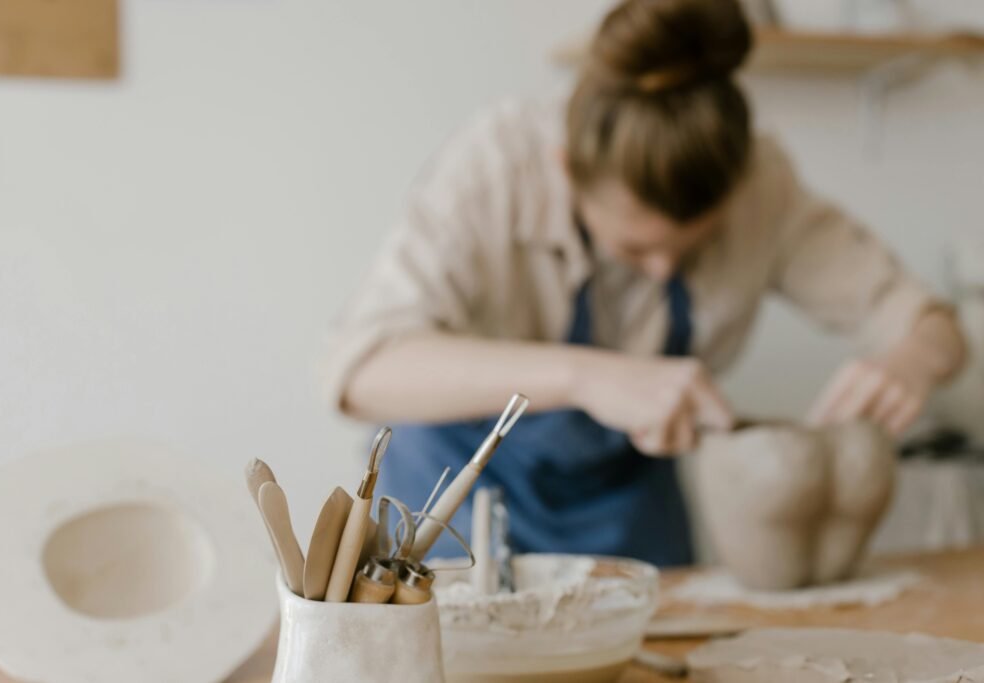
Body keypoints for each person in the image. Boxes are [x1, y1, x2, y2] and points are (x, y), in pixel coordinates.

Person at [322, 0, 966, 566]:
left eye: (694, 247)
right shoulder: (498, 162)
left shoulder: (760, 184)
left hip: (624, 504)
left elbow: (933, 325)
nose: (662, 270)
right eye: (635, 248)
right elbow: (361, 372)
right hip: (454, 495)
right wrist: (589, 377)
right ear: (567, 169)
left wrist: (911, 361)